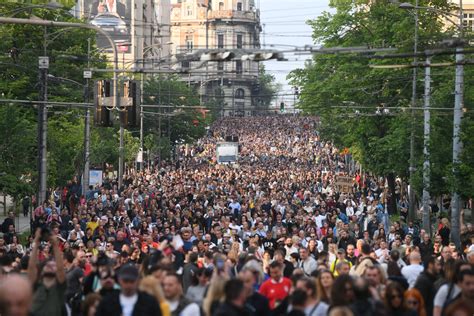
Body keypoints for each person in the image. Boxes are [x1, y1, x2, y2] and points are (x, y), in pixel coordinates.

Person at [95, 264, 162, 316]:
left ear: (138, 281)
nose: (128, 285)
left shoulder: (149, 302)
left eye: (132, 281)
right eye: (126, 281)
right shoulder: (108, 301)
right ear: (119, 280)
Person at [28, 229, 67, 316]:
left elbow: (60, 269)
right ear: (41, 271)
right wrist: (36, 242)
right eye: (48, 265)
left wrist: (55, 244)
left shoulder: (59, 287)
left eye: (53, 265)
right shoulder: (36, 285)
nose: (50, 266)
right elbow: (31, 267)